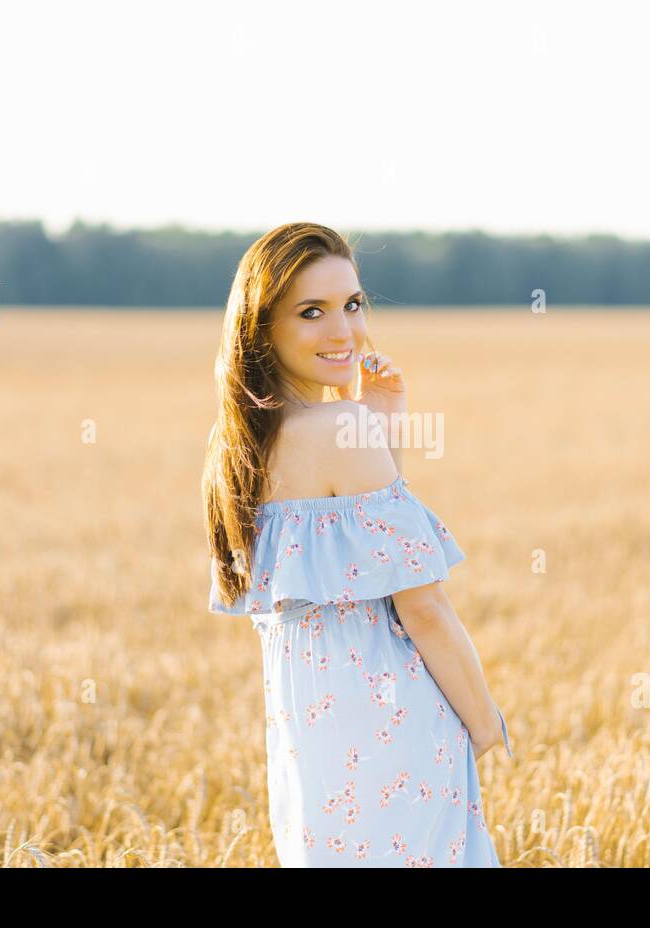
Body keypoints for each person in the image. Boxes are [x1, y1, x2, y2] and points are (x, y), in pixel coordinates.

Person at [202, 222, 513, 867]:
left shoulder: (236, 446)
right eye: (311, 311)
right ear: (261, 328)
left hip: (311, 745)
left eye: (353, 304)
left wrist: (380, 419)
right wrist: (485, 725)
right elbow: (420, 604)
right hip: (394, 732)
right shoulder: (338, 427)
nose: (344, 330)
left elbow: (355, 547)